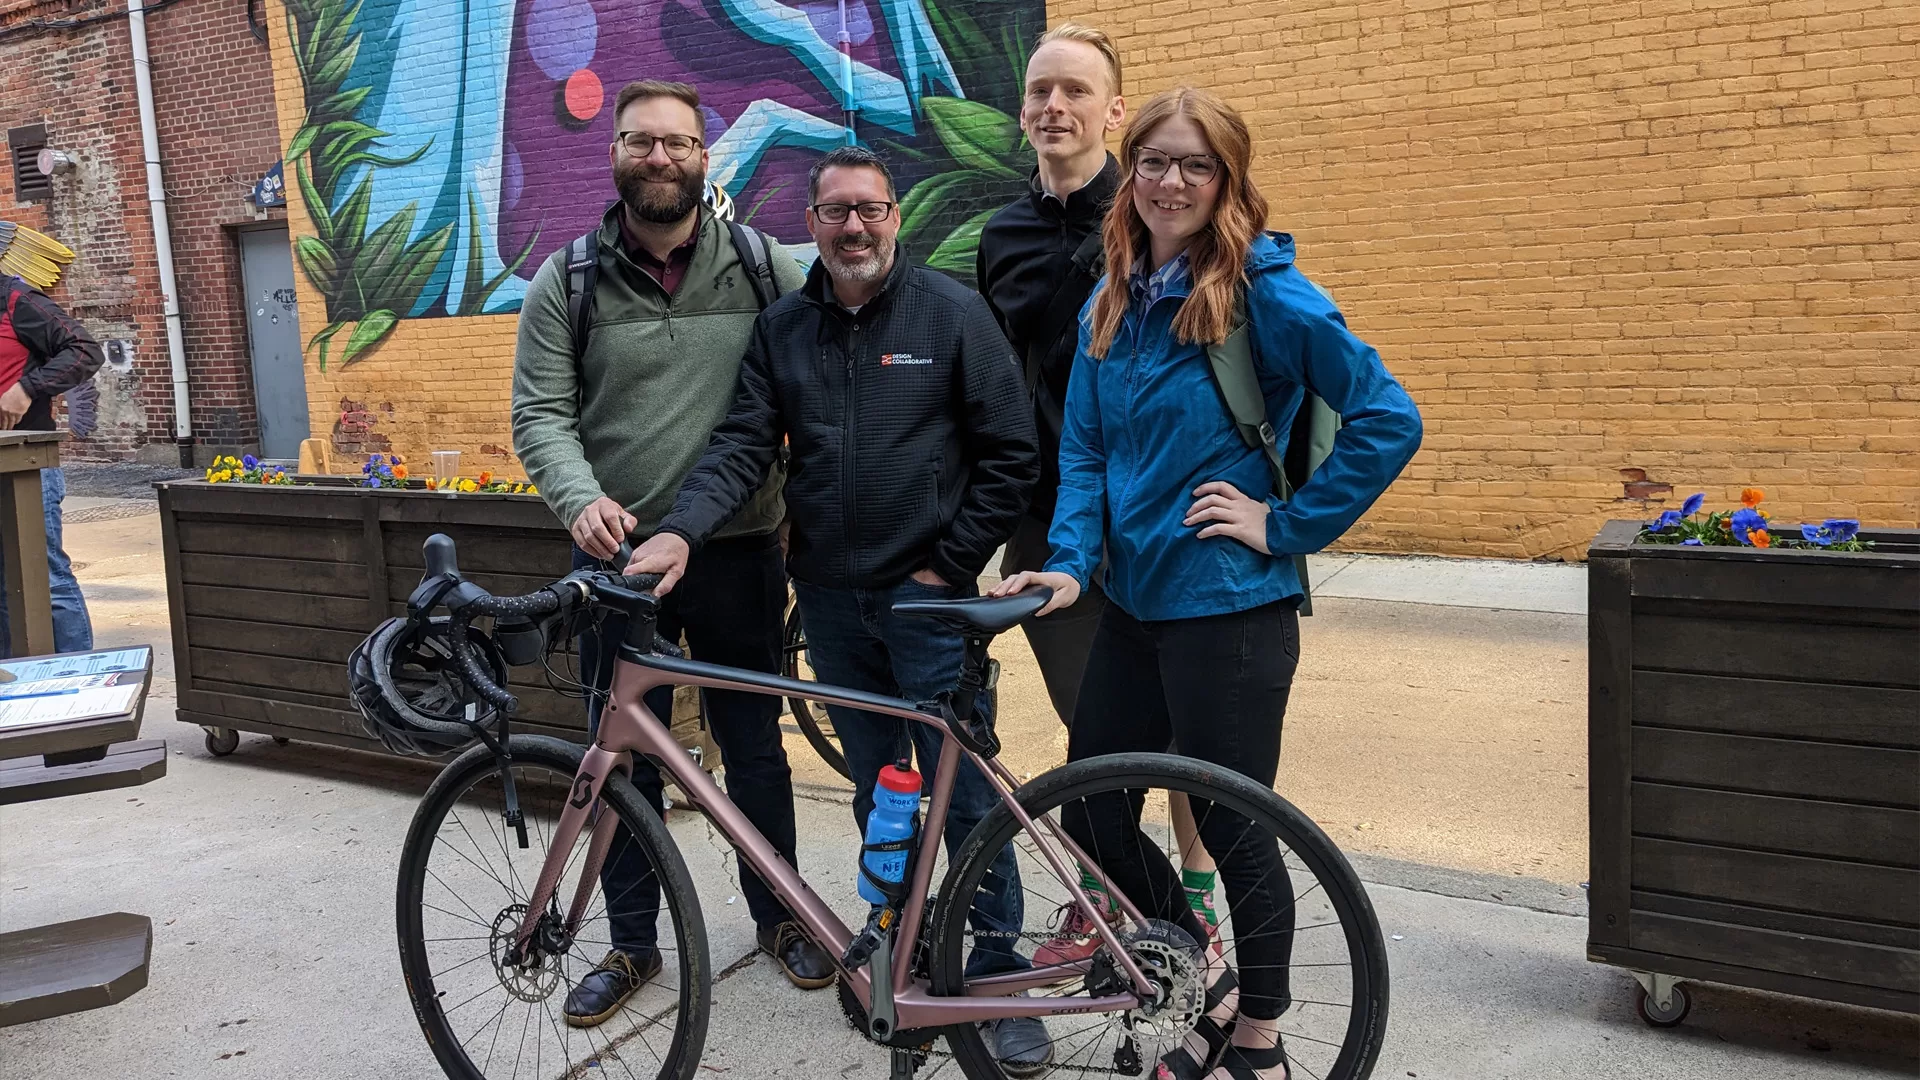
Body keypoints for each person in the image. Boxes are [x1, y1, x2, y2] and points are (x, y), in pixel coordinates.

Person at [992, 87, 1423, 1079]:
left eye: (1194, 165)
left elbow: (1388, 418)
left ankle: (1257, 1041)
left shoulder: (1265, 293)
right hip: (1136, 607)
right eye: (1153, 161)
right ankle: (1191, 975)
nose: (1170, 182)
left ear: (1227, 180)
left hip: (1232, 610)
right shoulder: (1117, 297)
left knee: (1234, 823)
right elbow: (1089, 454)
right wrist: (1067, 560)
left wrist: (1284, 524)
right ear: (1129, 170)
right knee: (1096, 808)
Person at [626, 146, 1053, 1074]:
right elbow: (744, 443)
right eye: (834, 213)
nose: (853, 227)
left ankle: (996, 962)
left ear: (894, 215)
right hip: (827, 599)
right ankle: (894, 933)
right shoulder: (784, 327)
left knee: (964, 785)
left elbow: (1011, 451)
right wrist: (683, 532)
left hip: (928, 605)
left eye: (870, 209)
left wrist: (948, 567)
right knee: (878, 786)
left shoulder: (950, 312)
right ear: (810, 223)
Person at [510, 79, 829, 1029]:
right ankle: (631, 943)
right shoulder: (565, 280)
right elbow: (540, 416)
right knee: (621, 765)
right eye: (642, 142)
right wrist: (580, 500)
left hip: (735, 552)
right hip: (616, 566)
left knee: (754, 748)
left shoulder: (766, 267)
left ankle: (781, 918)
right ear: (613, 152)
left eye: (679, 144)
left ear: (705, 155)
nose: (661, 158)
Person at [976, 21, 1231, 968]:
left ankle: (1191, 900)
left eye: (1077, 91)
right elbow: (992, 381)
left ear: (1114, 111)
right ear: (1022, 110)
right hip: (1054, 523)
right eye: (1041, 90)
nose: (1056, 107)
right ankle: (1105, 895)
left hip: (1170, 519)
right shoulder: (998, 236)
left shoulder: (1163, 214)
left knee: (1188, 735)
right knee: (1100, 728)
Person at [0, 274, 100, 659]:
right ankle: (15, 684)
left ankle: (80, 679)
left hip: (29, 463)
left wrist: (27, 388)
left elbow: (84, 350)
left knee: (45, 575)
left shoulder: (18, 301)